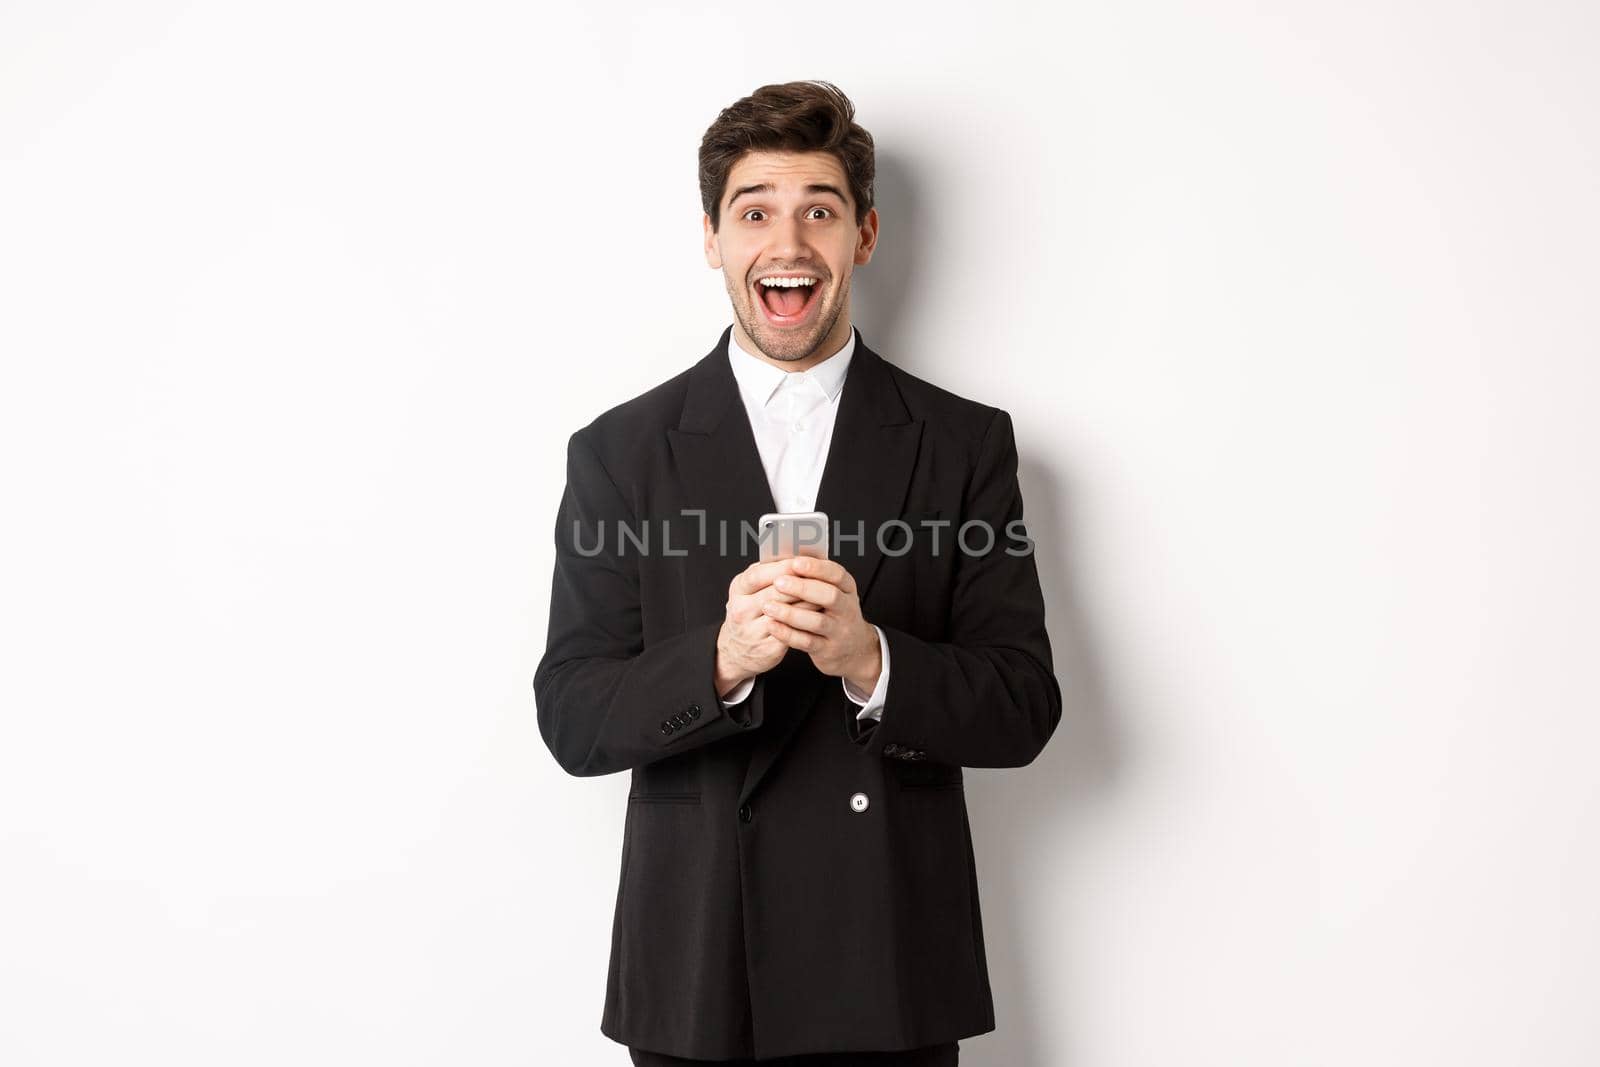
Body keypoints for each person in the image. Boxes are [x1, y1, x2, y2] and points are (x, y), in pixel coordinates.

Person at [534, 80, 1061, 1065]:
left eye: (818, 209)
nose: (787, 241)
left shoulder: (962, 444)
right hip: (697, 966)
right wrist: (719, 659)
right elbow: (571, 713)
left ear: (862, 236)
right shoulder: (621, 450)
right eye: (755, 210)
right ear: (712, 238)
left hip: (889, 964)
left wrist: (872, 661)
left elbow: (1023, 705)